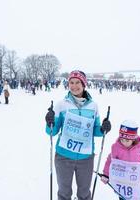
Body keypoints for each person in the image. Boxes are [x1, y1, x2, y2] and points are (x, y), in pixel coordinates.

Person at [45, 70, 111, 200]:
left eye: (77, 82)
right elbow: (52, 132)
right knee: (64, 193)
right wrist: (49, 122)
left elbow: (96, 131)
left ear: (84, 84)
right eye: (71, 82)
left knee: (84, 193)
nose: (74, 86)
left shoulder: (93, 106)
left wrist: (104, 128)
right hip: (63, 156)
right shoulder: (61, 105)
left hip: (86, 157)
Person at [100, 120, 140, 200]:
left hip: (138, 186)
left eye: (127, 140)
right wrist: (106, 174)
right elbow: (110, 161)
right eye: (122, 139)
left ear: (133, 139)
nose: (124, 142)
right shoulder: (116, 147)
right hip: (123, 185)